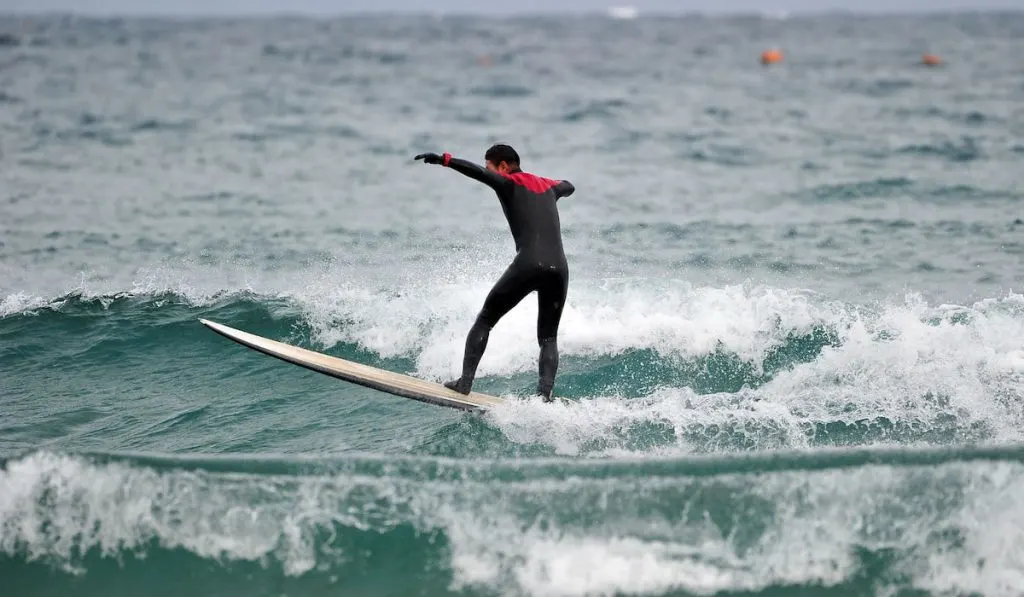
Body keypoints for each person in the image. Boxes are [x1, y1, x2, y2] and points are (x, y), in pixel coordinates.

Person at [414, 144, 575, 402]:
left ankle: (465, 383)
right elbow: (569, 186)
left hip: (529, 263)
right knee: (548, 338)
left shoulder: (507, 182)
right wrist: (554, 184)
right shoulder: (548, 186)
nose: (490, 171)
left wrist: (444, 160)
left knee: (485, 320)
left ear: (502, 166)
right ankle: (544, 398)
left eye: (491, 166)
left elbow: (477, 173)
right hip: (559, 268)